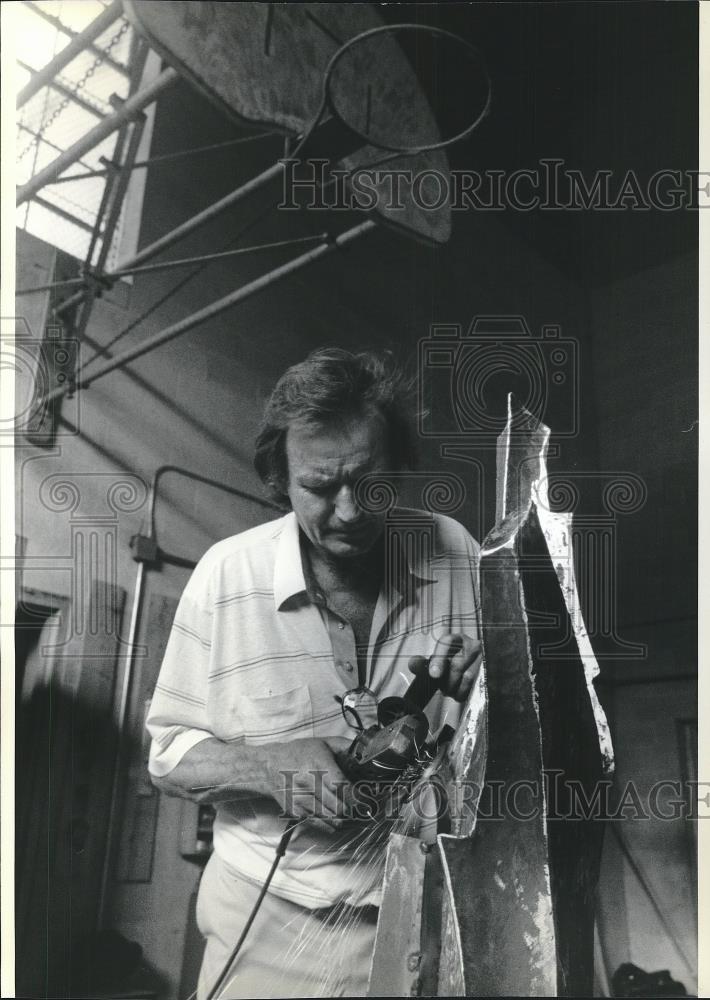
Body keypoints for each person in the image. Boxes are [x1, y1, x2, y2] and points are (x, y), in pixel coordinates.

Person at [146, 348, 482, 999]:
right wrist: (266, 766)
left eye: (371, 482)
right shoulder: (226, 575)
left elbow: (515, 731)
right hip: (267, 934)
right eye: (321, 488)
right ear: (280, 477)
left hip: (419, 921)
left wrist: (483, 696)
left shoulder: (456, 553)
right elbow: (168, 757)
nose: (351, 511)